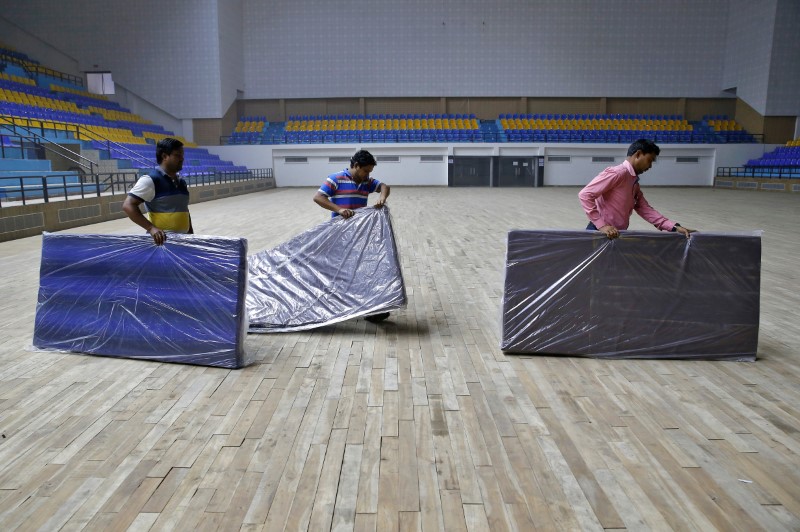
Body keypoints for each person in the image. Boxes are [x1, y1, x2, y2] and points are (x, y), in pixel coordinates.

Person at [313, 149, 392, 322]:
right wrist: (339, 210)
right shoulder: (335, 179)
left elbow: (384, 186)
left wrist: (382, 197)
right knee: (339, 272)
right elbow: (318, 197)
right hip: (339, 235)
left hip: (359, 234)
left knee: (363, 270)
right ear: (356, 166)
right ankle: (332, 307)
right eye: (365, 171)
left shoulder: (366, 182)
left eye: (370, 172)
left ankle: (371, 310)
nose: (367, 175)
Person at [578, 138, 696, 239]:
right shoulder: (618, 173)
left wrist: (674, 227)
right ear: (638, 154)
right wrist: (601, 225)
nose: (650, 166)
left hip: (614, 233)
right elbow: (585, 194)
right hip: (600, 232)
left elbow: (644, 208)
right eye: (649, 160)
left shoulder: (632, 181)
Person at [122, 138, 192, 245]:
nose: (182, 158)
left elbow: (184, 210)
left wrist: (191, 234)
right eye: (178, 155)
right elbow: (128, 205)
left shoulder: (181, 182)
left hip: (183, 242)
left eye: (182, 155)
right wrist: (151, 228)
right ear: (164, 156)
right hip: (163, 243)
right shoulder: (150, 180)